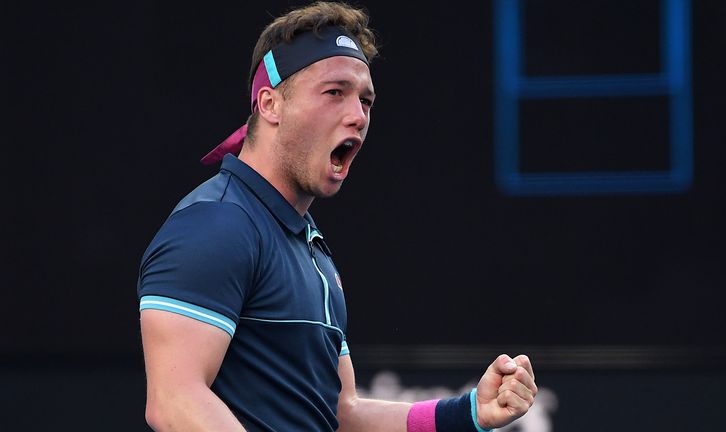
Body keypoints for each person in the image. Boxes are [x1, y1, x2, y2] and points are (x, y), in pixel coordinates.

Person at [137, 2, 537, 431]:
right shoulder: (215, 224)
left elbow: (341, 413)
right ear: (270, 104)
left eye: (366, 100)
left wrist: (469, 412)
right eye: (335, 93)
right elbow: (175, 401)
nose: (358, 116)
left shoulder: (311, 249)